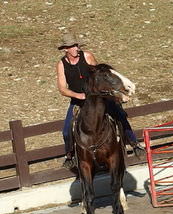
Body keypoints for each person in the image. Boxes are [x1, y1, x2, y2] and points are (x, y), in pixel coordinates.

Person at [56, 33, 145, 169]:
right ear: (65, 49)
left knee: (119, 114)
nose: (76, 48)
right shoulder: (61, 65)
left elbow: (99, 74)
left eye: (76, 45)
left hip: (96, 96)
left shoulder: (87, 56)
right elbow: (62, 88)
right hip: (78, 100)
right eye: (72, 46)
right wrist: (78, 96)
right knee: (67, 130)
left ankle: (134, 143)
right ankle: (69, 155)